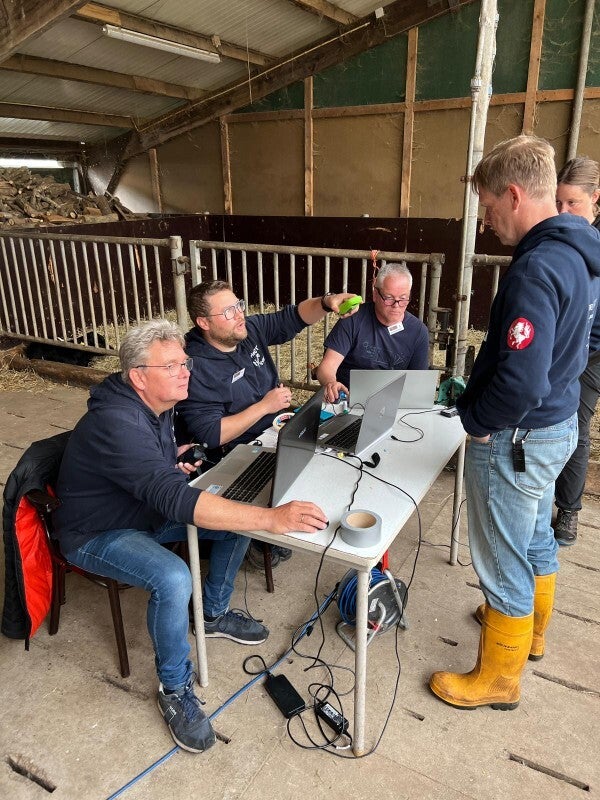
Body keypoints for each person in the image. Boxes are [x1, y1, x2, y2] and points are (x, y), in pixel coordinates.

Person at [54, 319, 328, 753]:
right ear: (138, 376)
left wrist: (171, 458)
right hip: (96, 530)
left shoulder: (156, 402)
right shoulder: (117, 421)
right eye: (172, 366)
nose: (185, 372)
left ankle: (212, 615)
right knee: (174, 577)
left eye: (185, 363)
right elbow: (175, 499)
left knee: (234, 517)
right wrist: (272, 519)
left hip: (139, 509)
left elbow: (154, 471)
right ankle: (174, 689)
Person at [429, 135, 600, 711]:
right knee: (534, 538)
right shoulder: (582, 253)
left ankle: (498, 678)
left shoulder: (536, 267)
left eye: (488, 205)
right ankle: (531, 634)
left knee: (503, 558)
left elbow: (521, 380)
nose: (486, 220)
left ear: (514, 194)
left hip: (517, 436)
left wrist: (479, 422)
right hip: (557, 423)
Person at [176, 280, 359, 568]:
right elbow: (211, 434)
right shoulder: (195, 364)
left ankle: (271, 530)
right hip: (237, 450)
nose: (239, 314)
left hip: (278, 429)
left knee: (333, 458)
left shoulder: (247, 330)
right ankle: (253, 537)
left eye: (238, 305)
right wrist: (264, 406)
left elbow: (293, 317)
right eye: (228, 312)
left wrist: (326, 302)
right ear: (204, 322)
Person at [552, 156, 600, 545]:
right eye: (559, 203)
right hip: (566, 341)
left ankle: (569, 508)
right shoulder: (559, 233)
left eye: (573, 203)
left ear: (595, 197)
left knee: (577, 425)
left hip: (594, 349)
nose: (564, 212)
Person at [314, 262, 429, 405]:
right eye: (389, 298)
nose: (396, 305)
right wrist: (331, 383)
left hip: (392, 404)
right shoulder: (353, 319)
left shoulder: (418, 331)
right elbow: (326, 367)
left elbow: (418, 383)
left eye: (403, 298)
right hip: (346, 400)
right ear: (375, 294)